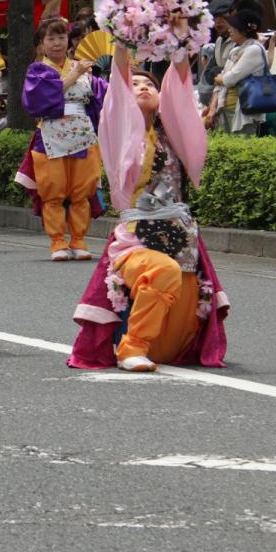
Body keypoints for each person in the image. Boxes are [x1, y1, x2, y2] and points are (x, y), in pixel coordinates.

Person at [69, 45, 228, 372]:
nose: (143, 88)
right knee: (161, 271)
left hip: (182, 242)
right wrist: (124, 40)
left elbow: (181, 93)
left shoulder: (176, 136)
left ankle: (149, 344)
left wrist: (181, 43)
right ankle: (131, 346)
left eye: (151, 85)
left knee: (173, 341)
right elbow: (118, 85)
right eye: (135, 85)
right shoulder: (120, 133)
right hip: (136, 241)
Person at [17, 16, 106, 262]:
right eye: (51, 38)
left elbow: (103, 96)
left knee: (81, 191)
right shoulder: (37, 70)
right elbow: (39, 103)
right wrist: (74, 74)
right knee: (53, 191)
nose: (57, 43)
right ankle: (57, 240)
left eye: (61, 37)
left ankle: (78, 239)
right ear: (41, 44)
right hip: (50, 137)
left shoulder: (84, 69)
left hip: (83, 136)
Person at [207, 8, 267, 135]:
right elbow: (224, 79)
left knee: (243, 148)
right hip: (226, 107)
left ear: (244, 30)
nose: (230, 30)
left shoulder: (254, 50)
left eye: (233, 27)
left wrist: (220, 78)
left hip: (242, 109)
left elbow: (229, 79)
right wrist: (213, 108)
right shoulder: (236, 50)